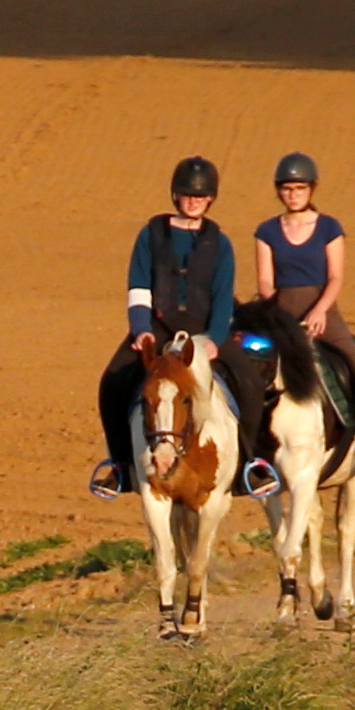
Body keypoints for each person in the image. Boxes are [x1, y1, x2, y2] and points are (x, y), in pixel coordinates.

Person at [91, 155, 276, 500]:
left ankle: (251, 464)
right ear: (175, 196)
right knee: (113, 380)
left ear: (211, 199)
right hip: (158, 329)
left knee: (249, 383)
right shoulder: (151, 235)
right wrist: (141, 329)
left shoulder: (220, 244)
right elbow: (138, 287)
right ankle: (120, 467)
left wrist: (215, 340)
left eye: (201, 196)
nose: (194, 200)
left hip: (205, 331)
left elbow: (222, 299)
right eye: (187, 194)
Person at [250, 153, 355, 475]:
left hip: (322, 308)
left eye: (300, 188)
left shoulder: (329, 227)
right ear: (279, 191)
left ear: (311, 190)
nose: (293, 194)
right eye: (287, 189)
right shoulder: (267, 231)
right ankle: (248, 447)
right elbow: (264, 279)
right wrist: (276, 315)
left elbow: (336, 277)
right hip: (281, 311)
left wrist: (319, 311)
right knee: (249, 363)